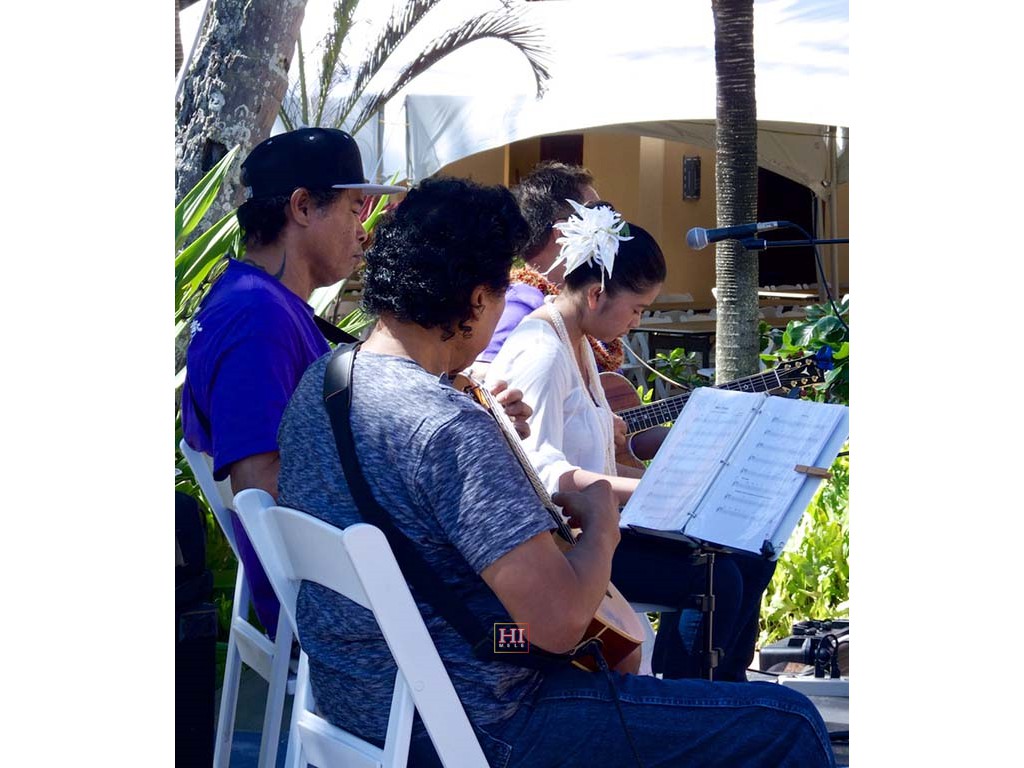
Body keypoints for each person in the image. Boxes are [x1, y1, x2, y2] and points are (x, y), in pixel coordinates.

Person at [276, 176, 835, 767]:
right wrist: (601, 522)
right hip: (481, 716)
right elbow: (560, 625)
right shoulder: (447, 427)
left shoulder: (322, 385)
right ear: (476, 299)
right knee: (788, 722)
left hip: (369, 700)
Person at [486, 201, 777, 681]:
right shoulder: (542, 352)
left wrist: (686, 483)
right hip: (563, 548)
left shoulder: (576, 341)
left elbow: (597, 458)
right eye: (637, 308)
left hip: (599, 525)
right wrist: (646, 491)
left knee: (751, 550)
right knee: (717, 577)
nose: (637, 321)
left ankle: (724, 691)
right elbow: (538, 473)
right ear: (597, 294)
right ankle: (687, 702)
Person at [180, 127, 406, 635]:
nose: (363, 231)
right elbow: (261, 488)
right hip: (337, 610)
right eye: (355, 210)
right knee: (527, 636)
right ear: (303, 207)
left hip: (340, 589)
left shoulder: (259, 300)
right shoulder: (255, 318)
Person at [472, 161, 626, 378]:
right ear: (563, 232)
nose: (610, 233)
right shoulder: (521, 306)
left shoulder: (578, 303)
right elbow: (482, 378)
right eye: (597, 219)